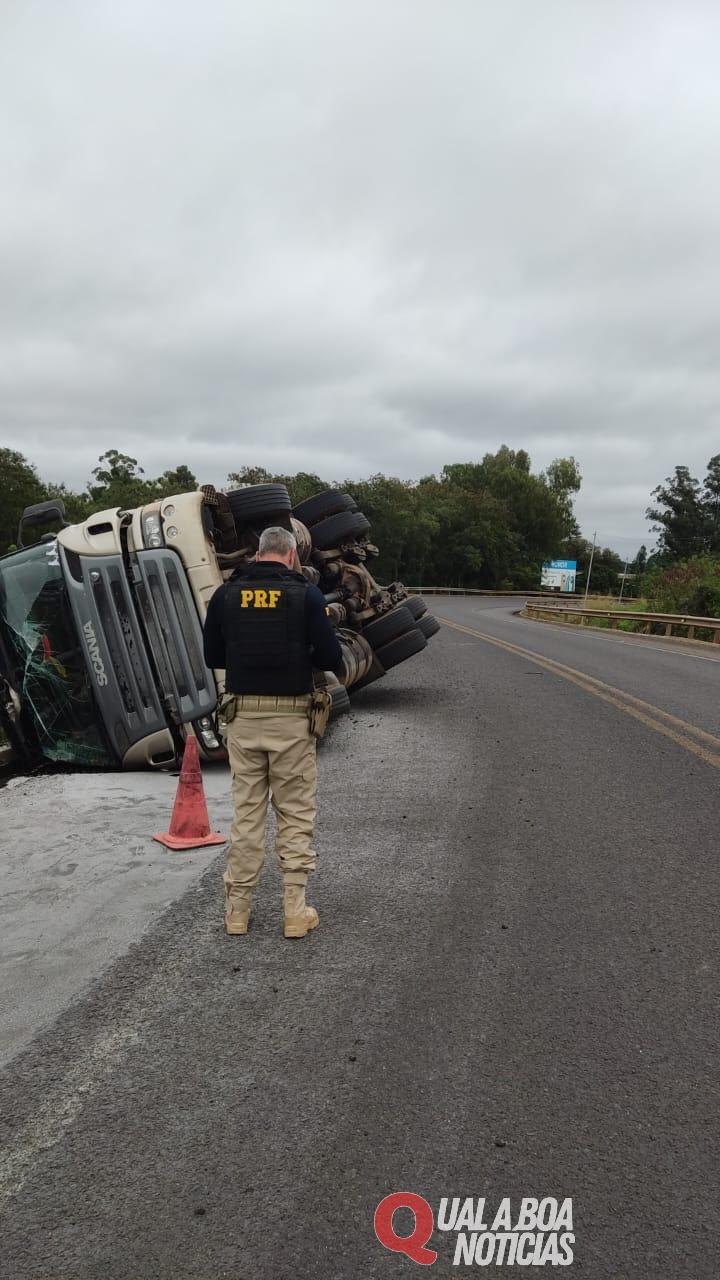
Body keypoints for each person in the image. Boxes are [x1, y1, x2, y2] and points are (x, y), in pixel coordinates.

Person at [203, 526, 343, 939]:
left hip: (243, 718)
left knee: (247, 815)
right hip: (292, 721)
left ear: (258, 553)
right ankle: (295, 912)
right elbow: (331, 657)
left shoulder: (225, 596)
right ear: (292, 555)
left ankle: (237, 912)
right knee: (295, 813)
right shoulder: (306, 596)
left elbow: (212, 655)